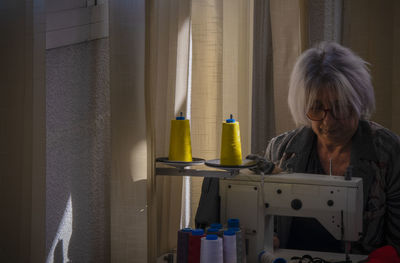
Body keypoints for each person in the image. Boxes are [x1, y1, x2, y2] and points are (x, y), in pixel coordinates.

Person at [249, 42, 400, 255]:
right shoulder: (280, 151)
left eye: (339, 108)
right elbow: (267, 223)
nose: (328, 122)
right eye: (316, 107)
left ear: (359, 103)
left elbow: (397, 243)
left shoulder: (389, 152)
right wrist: (266, 240)